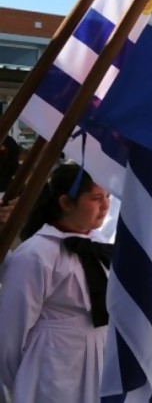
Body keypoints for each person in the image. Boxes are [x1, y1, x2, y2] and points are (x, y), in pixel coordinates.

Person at [0, 164, 111, 402]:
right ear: (66, 202)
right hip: (53, 365)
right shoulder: (36, 254)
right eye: (96, 198)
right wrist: (22, 380)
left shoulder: (99, 243)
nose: (105, 206)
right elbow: (11, 329)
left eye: (108, 197)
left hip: (99, 358)